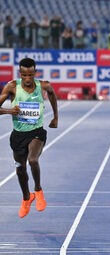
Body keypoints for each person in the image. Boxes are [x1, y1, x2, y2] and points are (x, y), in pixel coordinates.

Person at [0, 58, 58, 218]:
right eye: (24, 75)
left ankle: (38, 190)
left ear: (35, 73)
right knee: (20, 169)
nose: (27, 78)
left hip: (36, 132)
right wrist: (8, 111)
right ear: (20, 73)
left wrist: (55, 117)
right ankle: (27, 197)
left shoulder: (43, 85)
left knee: (33, 160)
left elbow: (52, 94)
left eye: (30, 75)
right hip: (18, 135)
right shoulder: (12, 86)